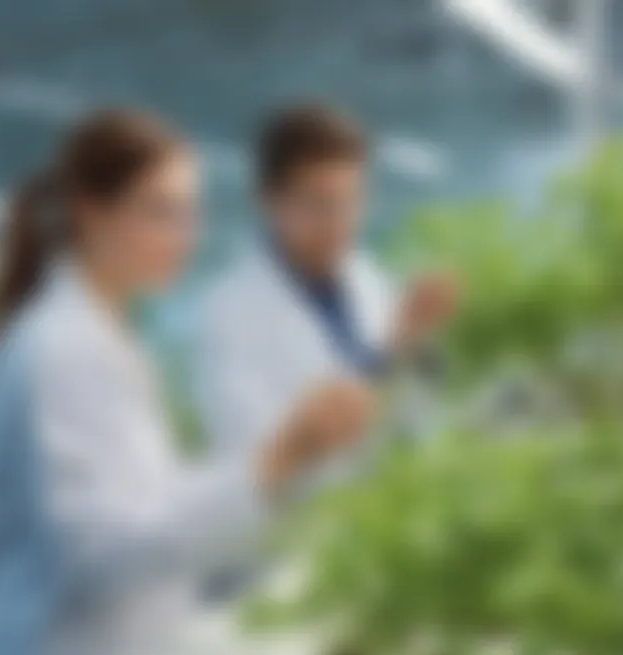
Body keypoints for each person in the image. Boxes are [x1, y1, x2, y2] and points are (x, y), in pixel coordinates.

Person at [0, 110, 375, 655]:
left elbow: (149, 500)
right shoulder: (58, 350)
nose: (187, 234)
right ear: (90, 212)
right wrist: (276, 459)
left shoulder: (108, 337)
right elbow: (100, 555)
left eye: (191, 212)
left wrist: (279, 465)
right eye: (162, 211)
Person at [195, 104, 456, 455]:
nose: (339, 223)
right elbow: (265, 458)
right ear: (268, 200)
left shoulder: (365, 277)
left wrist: (420, 348)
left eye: (351, 201)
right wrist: (393, 353)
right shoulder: (228, 316)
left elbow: (411, 421)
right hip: (304, 509)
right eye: (318, 204)